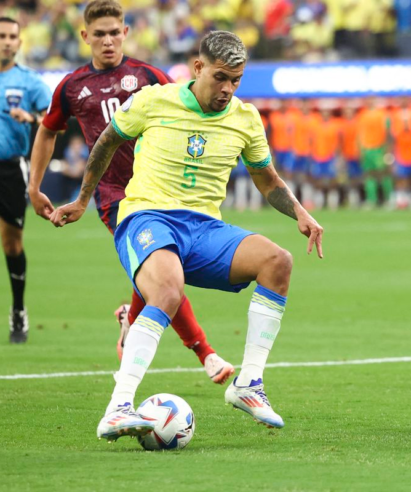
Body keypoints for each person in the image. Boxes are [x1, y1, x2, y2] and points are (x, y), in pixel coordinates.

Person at [50, 30, 324, 441]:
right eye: (220, 78)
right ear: (198, 68)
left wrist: (300, 212)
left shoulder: (245, 118)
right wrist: (81, 199)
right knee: (167, 288)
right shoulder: (154, 100)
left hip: (204, 229)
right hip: (147, 217)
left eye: (236, 80)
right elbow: (107, 142)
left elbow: (267, 180)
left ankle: (248, 384)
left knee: (277, 261)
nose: (228, 89)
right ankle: (118, 406)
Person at [28, 0, 234, 384]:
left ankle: (131, 318)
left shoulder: (147, 75)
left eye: (114, 32)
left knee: (160, 273)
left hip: (160, 191)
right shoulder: (72, 87)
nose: (108, 41)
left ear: (126, 33)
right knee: (166, 275)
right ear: (85, 36)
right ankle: (206, 353)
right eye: (99, 34)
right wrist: (34, 185)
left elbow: (186, 112)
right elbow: (47, 131)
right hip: (115, 199)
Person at [0, 17, 52, 343]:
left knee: (11, 242)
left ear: (19, 43)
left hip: (10, 168)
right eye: (1, 36)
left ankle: (18, 309)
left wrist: (31, 117)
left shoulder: (29, 82)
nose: (6, 41)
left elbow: (53, 118)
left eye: (12, 37)